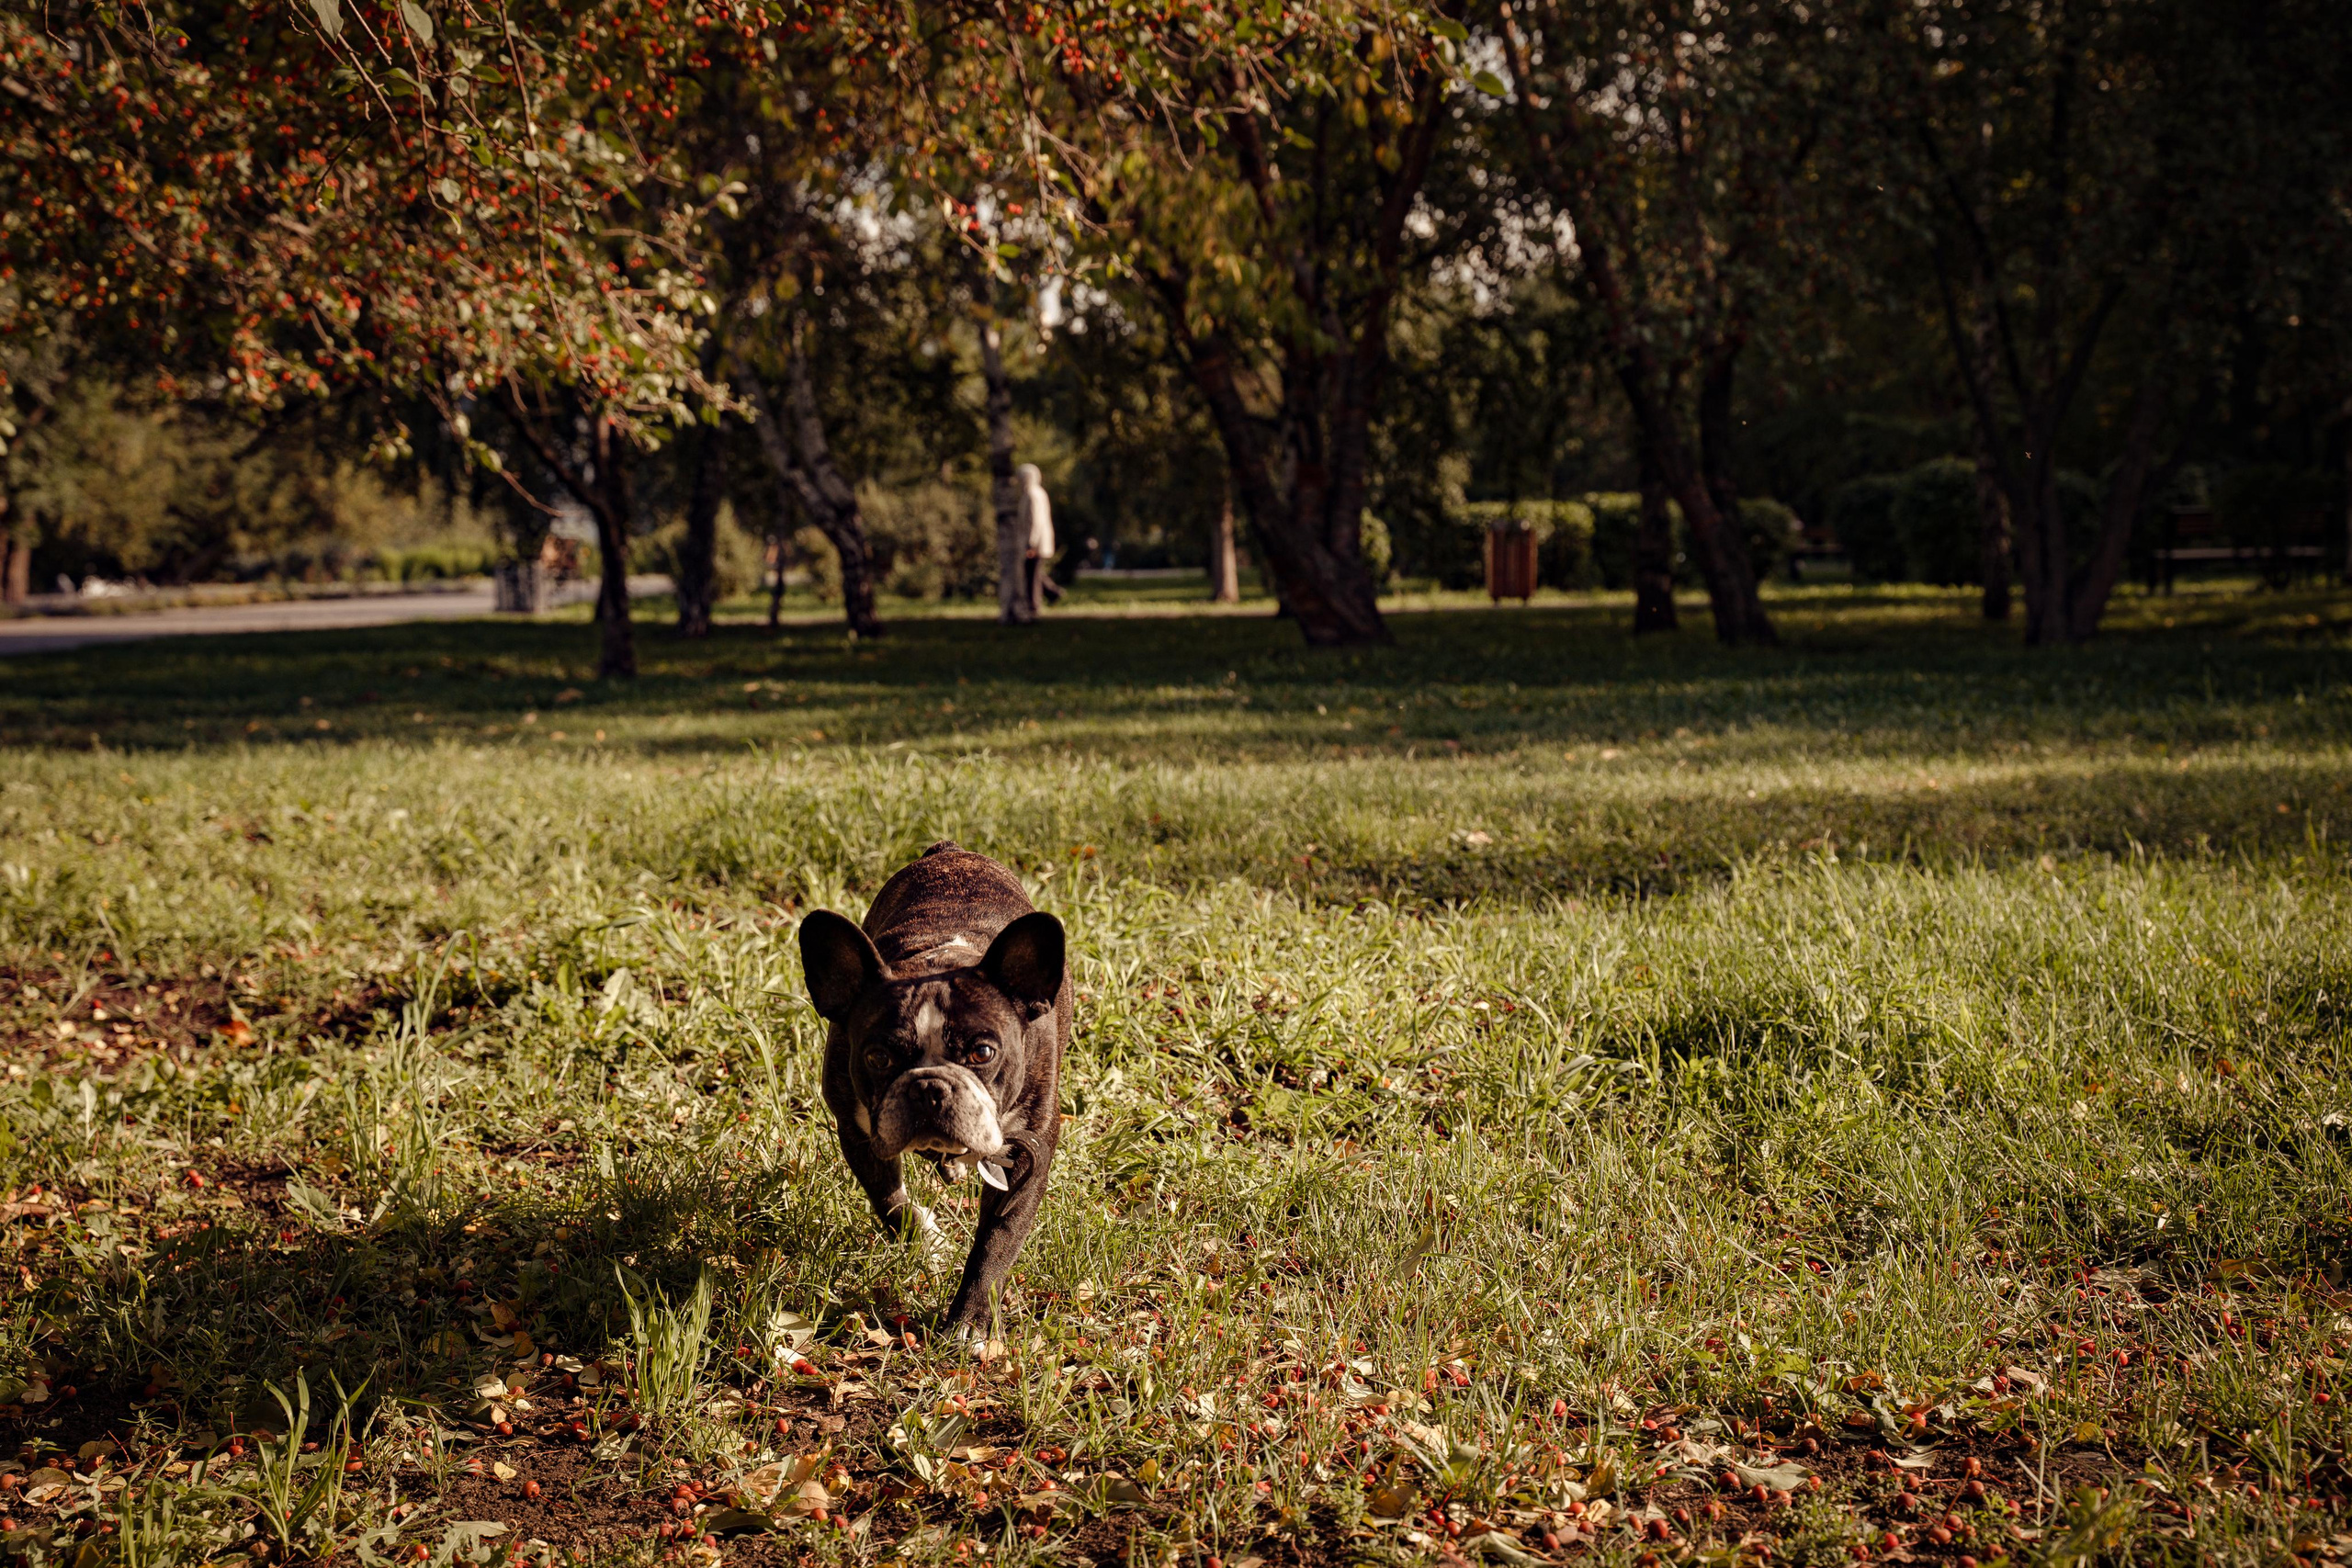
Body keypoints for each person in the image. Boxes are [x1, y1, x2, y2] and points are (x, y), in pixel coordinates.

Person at [1019, 463, 1063, 613]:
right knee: (1034, 572)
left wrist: (1031, 544)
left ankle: (1034, 605)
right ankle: (1053, 593)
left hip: (1035, 542)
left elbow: (1034, 521)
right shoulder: (1037, 492)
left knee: (1033, 575)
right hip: (1036, 541)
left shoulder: (1032, 494)